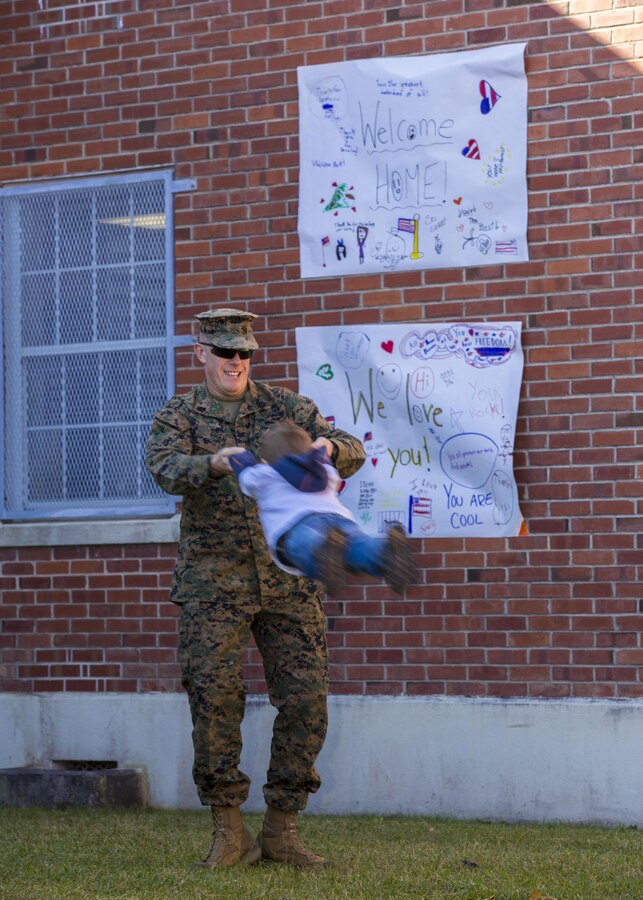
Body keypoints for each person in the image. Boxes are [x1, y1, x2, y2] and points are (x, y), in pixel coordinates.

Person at [144, 308, 365, 869]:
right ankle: (229, 831)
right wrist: (212, 462)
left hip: (288, 580)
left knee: (306, 699)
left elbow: (350, 446)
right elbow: (165, 467)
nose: (236, 362)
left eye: (244, 353)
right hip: (212, 583)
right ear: (200, 353)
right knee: (214, 701)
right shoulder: (181, 413)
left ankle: (282, 831)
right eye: (224, 352)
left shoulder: (286, 408)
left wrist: (328, 452)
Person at [229, 421, 414, 596]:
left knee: (309, 546)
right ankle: (383, 552)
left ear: (265, 461)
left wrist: (236, 455)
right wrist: (321, 451)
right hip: (338, 518)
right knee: (356, 545)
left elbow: (245, 472)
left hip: (296, 525)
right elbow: (323, 457)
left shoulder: (265, 473)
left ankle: (322, 553)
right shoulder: (326, 471)